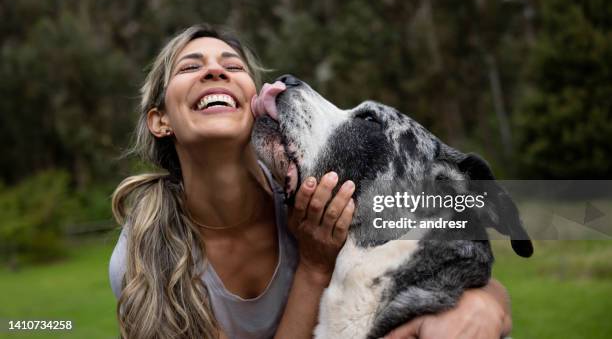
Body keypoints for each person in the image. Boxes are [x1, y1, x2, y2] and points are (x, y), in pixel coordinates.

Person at [109, 24, 512, 339]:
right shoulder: (144, 256)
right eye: (190, 66)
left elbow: (455, 269)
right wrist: (315, 266)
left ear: (255, 100)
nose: (215, 70)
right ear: (160, 120)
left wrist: (480, 306)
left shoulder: (322, 194)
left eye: (232, 66)